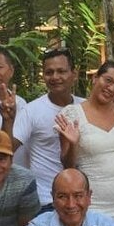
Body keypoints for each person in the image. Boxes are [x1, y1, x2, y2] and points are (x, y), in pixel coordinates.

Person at [55, 61, 114, 226]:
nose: (111, 88)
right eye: (108, 80)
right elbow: (68, 166)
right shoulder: (72, 114)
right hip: (94, 204)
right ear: (95, 78)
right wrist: (73, 143)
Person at [13, 49, 83, 208]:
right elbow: (8, 148)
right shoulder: (31, 111)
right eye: (49, 72)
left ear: (74, 74)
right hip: (45, 199)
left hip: (81, 198)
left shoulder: (84, 107)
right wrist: (8, 119)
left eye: (61, 71)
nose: (55, 77)